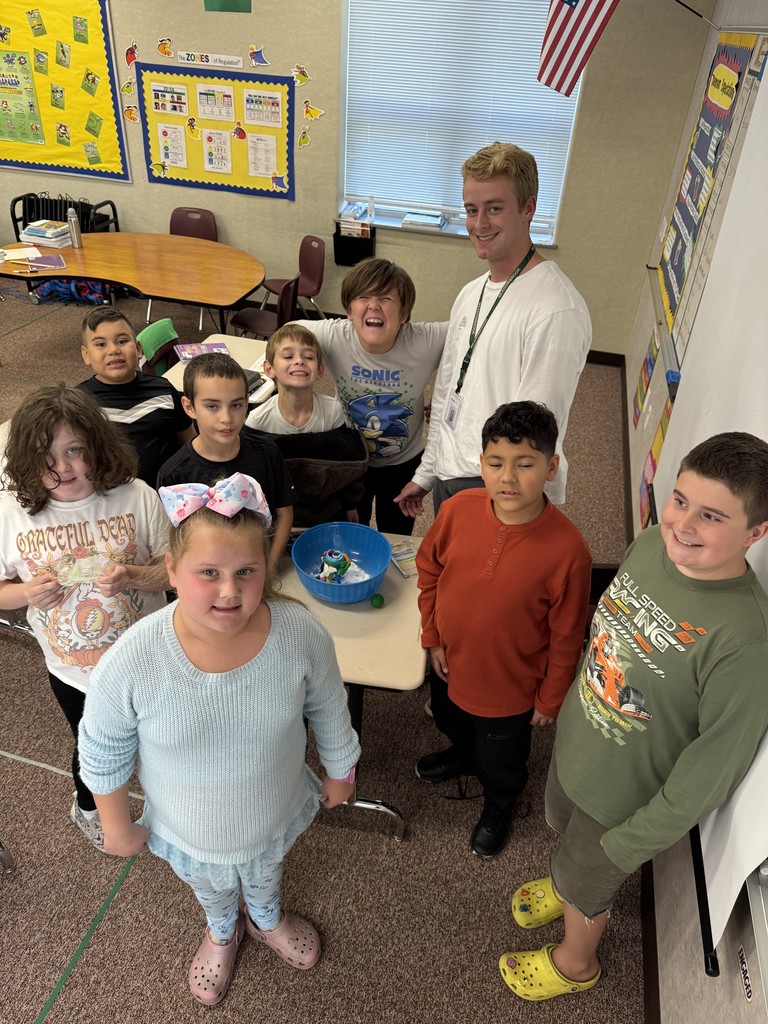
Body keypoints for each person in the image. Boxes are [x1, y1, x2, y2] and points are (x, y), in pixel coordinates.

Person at [499, 432, 768, 1002]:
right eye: (680, 501)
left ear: (757, 532)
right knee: (564, 843)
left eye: (712, 515)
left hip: (624, 803)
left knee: (588, 887)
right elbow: (607, 640)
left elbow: (711, 770)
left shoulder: (745, 640)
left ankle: (576, 963)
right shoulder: (650, 545)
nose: (683, 524)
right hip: (579, 749)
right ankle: (565, 881)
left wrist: (632, 843)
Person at [78, 474, 361, 1007]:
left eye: (246, 572)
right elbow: (102, 747)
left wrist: (341, 769)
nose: (230, 591)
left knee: (267, 870)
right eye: (208, 573)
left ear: (265, 570)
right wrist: (115, 826)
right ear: (170, 571)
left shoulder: (299, 632)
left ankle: (266, 917)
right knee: (209, 887)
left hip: (273, 808)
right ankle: (221, 929)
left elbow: (328, 702)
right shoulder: (134, 658)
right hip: (188, 828)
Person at [415, 402, 591, 858]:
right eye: (496, 463)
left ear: (551, 467)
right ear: (481, 464)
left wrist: (551, 697)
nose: (508, 478)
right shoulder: (457, 510)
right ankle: (463, 756)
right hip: (448, 663)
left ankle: (499, 803)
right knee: (452, 719)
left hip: (509, 691)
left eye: (525, 464)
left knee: (503, 763)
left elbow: (569, 635)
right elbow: (429, 569)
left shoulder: (569, 552)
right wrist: (431, 635)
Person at [0, 385, 169, 850]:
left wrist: (135, 574)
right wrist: (24, 593)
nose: (63, 468)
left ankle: (164, 803)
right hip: (73, 672)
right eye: (45, 456)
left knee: (155, 740)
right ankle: (88, 805)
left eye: (74, 450)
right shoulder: (11, 515)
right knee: (93, 749)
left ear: (96, 444)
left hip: (147, 659)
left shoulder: (136, 496)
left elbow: (174, 572)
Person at [395, 141, 591, 521]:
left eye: (495, 209)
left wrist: (501, 511)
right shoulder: (471, 293)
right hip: (453, 474)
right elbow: (450, 390)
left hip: (497, 490)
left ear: (528, 208)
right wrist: (428, 472)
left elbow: (533, 436)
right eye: (472, 210)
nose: (479, 224)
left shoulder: (556, 309)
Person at [292, 257, 447, 535]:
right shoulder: (332, 335)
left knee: (397, 538)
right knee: (349, 535)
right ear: (349, 311)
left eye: (386, 298)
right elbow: (284, 337)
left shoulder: (425, 340)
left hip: (404, 463)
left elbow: (478, 338)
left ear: (404, 315)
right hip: (350, 460)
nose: (373, 305)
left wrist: (450, 393)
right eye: (363, 296)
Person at [156, 352, 295, 570]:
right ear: (189, 407)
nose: (227, 418)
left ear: (247, 402)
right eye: (212, 406)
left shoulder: (268, 453)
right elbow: (175, 541)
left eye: (236, 405)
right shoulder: (173, 474)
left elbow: (284, 513)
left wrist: (268, 568)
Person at [246, 324, 367, 526]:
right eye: (288, 356)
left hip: (327, 511)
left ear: (320, 370)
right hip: (279, 513)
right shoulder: (258, 420)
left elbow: (349, 467)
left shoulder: (333, 412)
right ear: (269, 369)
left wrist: (350, 505)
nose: (299, 361)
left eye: (308, 357)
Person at [77, 307, 195, 487]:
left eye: (122, 341)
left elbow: (189, 442)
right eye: (101, 344)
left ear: (138, 348)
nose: (114, 350)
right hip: (111, 498)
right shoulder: (78, 403)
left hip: (167, 492)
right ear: (86, 355)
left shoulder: (163, 389)